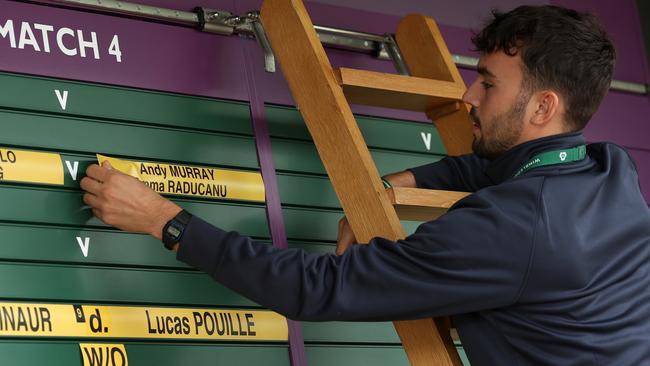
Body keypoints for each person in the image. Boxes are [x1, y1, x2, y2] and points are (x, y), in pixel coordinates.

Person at [80, 5, 650, 365]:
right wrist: (395, 183)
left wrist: (166, 221)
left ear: (543, 106)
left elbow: (316, 289)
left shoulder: (514, 226)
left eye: (488, 84)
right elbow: (489, 167)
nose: (469, 97)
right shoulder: (608, 170)